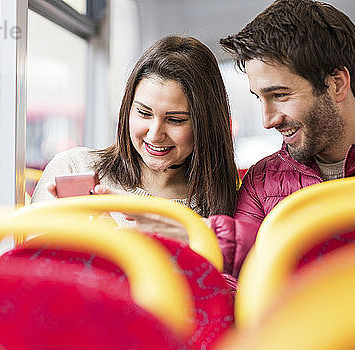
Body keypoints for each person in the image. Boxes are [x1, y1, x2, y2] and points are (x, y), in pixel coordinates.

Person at [208, 0, 355, 277]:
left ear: (337, 84)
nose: (267, 120)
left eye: (280, 95)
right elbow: (244, 294)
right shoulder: (262, 180)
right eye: (260, 98)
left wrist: (246, 248)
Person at [32, 35, 239, 225]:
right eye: (143, 113)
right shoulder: (73, 168)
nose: (155, 134)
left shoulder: (224, 210)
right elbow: (29, 261)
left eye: (175, 120)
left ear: (206, 125)